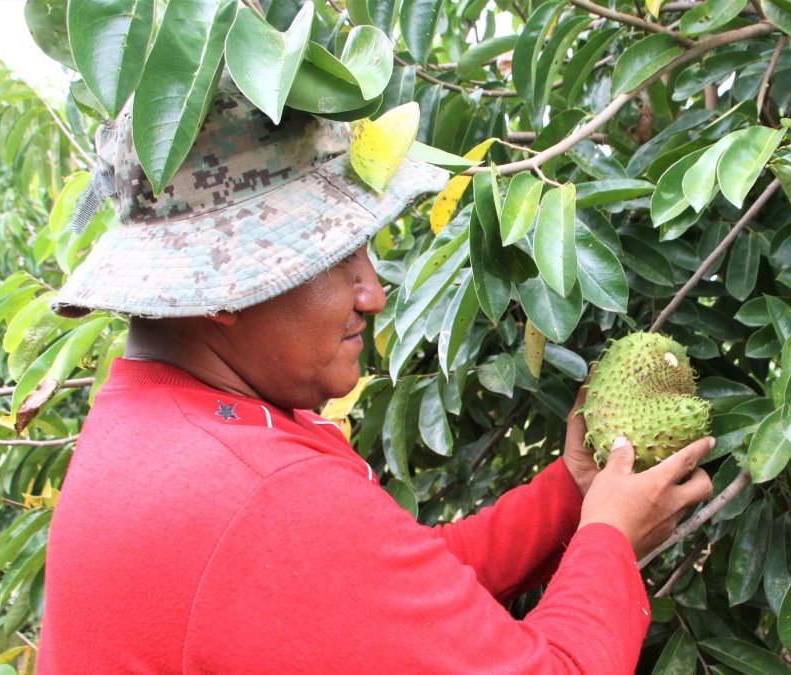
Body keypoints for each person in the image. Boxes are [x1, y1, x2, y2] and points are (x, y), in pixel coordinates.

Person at [37, 79, 714, 673]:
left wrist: (574, 494)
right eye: (336, 258)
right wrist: (609, 542)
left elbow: (388, 592)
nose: (373, 293)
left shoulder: (156, 426)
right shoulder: (264, 497)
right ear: (222, 286)